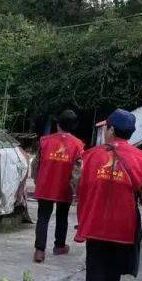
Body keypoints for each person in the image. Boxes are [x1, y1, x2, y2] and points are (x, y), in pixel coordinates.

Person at [75, 108, 142, 281]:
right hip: (124, 222)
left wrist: (82, 217)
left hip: (96, 220)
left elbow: (82, 189)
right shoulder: (141, 158)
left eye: (106, 128)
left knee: (95, 263)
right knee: (114, 265)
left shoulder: (92, 155)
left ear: (111, 130)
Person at [33, 109, 85, 263]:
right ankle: (59, 246)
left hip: (45, 185)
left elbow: (35, 164)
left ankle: (39, 251)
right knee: (62, 216)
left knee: (43, 217)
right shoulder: (78, 145)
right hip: (64, 188)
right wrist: (76, 191)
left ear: (58, 124)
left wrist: (37, 181)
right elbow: (77, 172)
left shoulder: (44, 141)